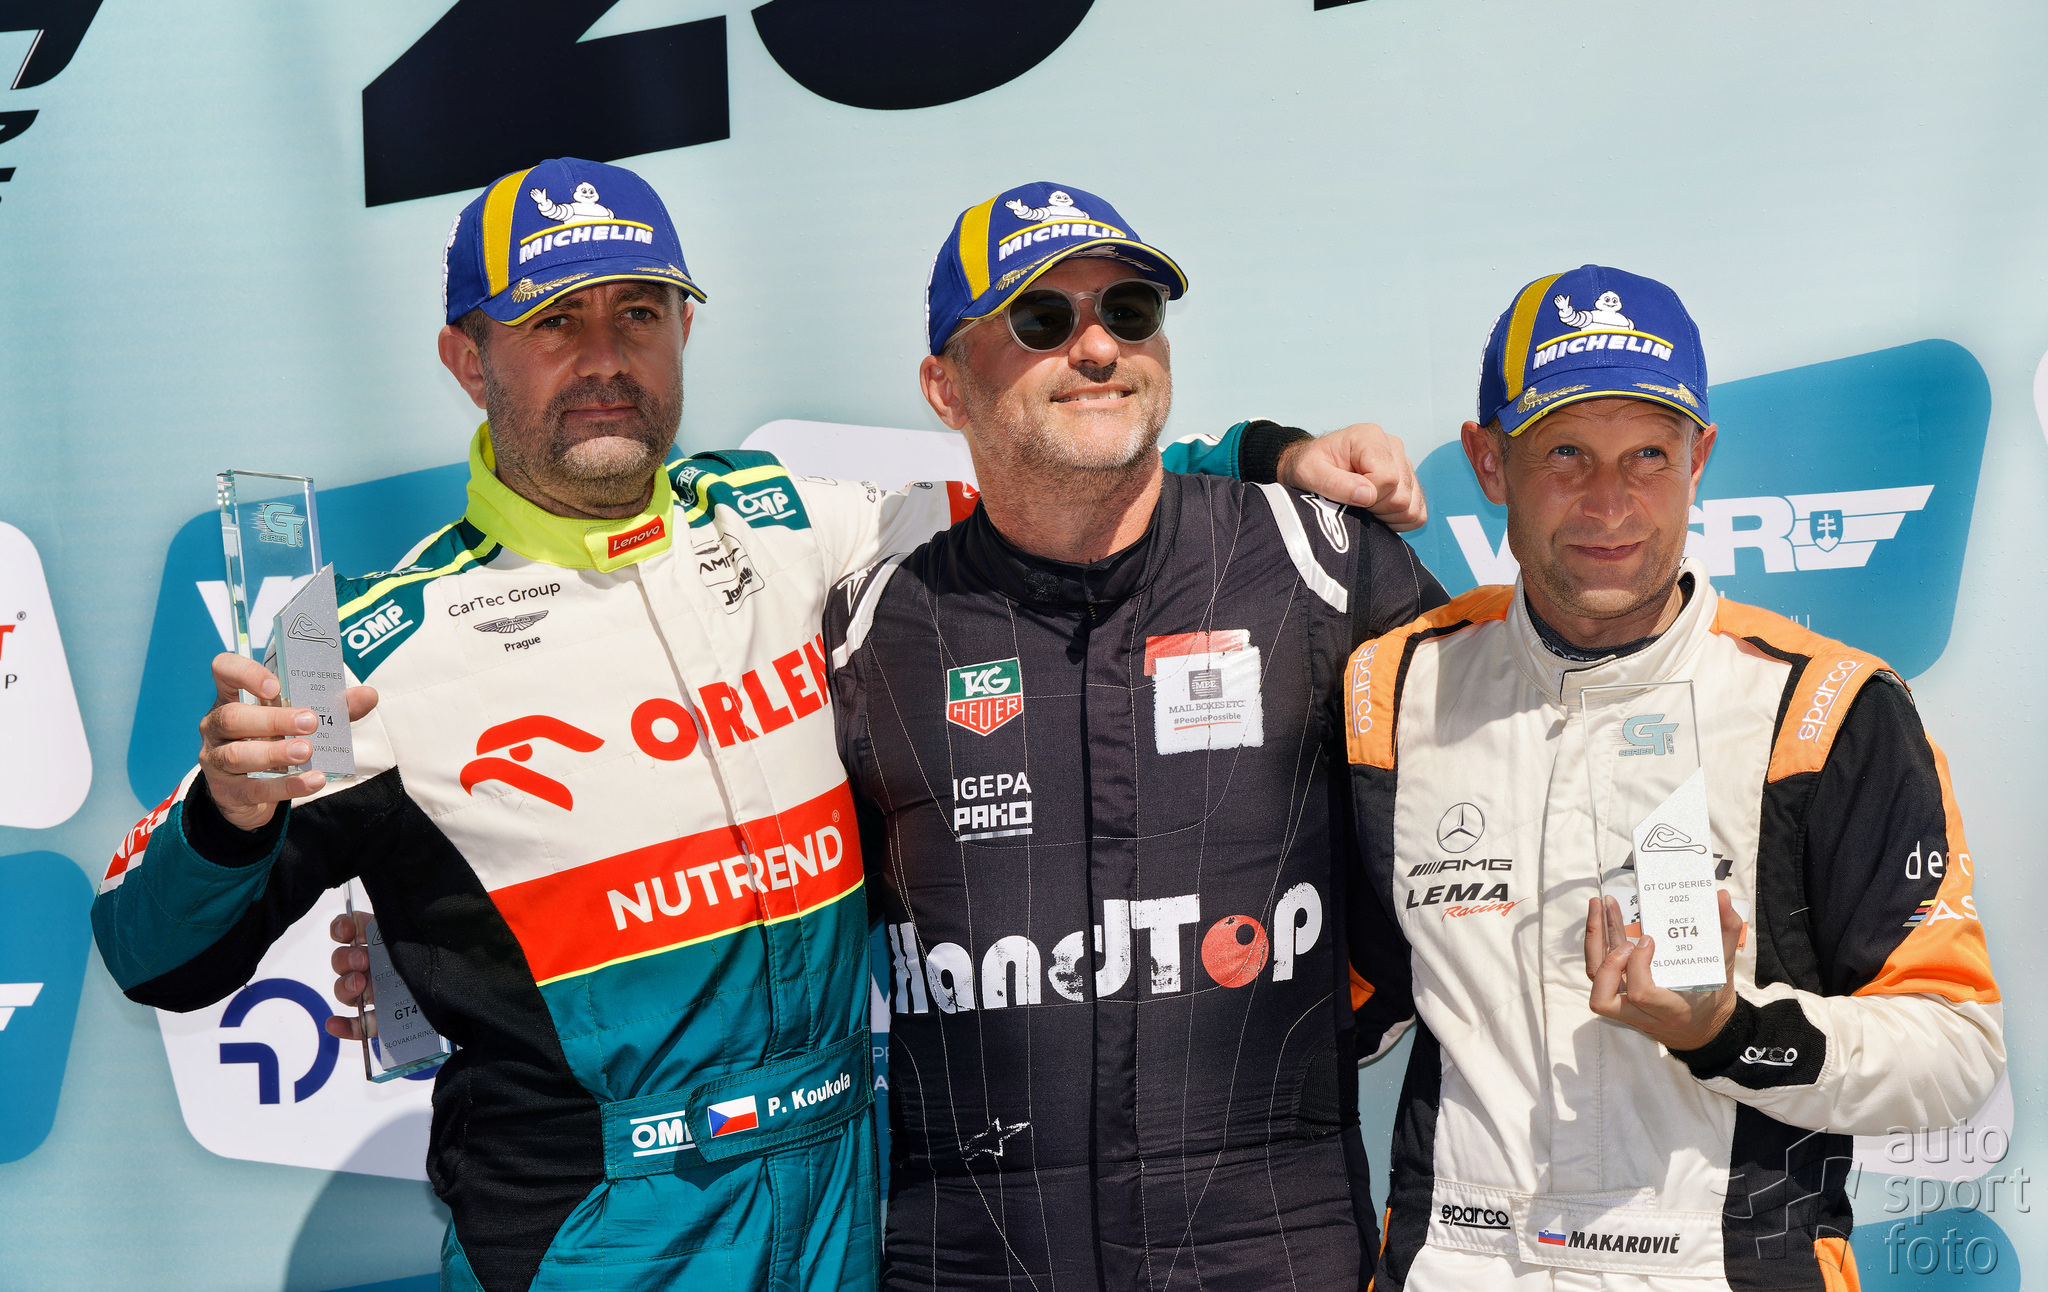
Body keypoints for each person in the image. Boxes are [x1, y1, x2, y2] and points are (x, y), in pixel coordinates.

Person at [89, 158, 1431, 1292]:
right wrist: (230, 814)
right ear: (465, 357)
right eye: (555, 321)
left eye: (638, 312)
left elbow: (1051, 473)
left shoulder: (796, 524)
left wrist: (1266, 454)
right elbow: (156, 954)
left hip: (848, 1196)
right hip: (600, 1226)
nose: (605, 358)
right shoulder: (362, 644)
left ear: (683, 331)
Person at [824, 181, 1448, 1291]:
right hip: (974, 1256)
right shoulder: (868, 623)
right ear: (944, 386)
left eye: (1129, 309)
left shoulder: (1322, 564)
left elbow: (1466, 865)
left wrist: (1302, 1032)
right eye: (1040, 319)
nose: (1098, 346)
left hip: (1273, 1244)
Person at [1343, 265, 2005, 1291]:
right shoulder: (1394, 691)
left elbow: (1952, 1049)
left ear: (1699, 457)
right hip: (1455, 1264)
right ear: (1487, 461)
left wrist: (1728, 1032)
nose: (1609, 502)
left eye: (1648, 453)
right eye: (1564, 452)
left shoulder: (1825, 709)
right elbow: (1337, 993)